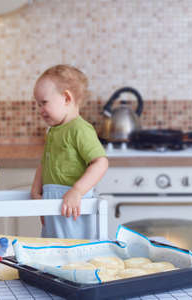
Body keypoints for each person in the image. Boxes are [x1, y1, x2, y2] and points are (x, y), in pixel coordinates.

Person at [30, 64, 108, 239]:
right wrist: (36, 190)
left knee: (73, 252)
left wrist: (77, 191)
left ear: (66, 98)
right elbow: (46, 162)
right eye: (38, 104)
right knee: (53, 250)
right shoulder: (53, 131)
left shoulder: (80, 129)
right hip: (53, 203)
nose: (40, 110)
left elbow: (101, 162)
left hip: (72, 205)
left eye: (44, 103)